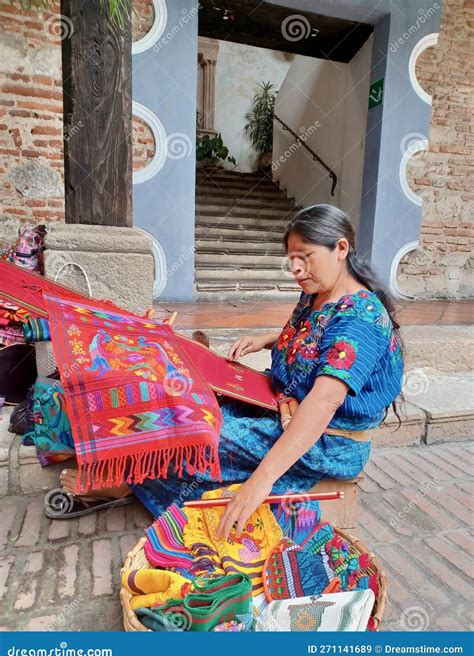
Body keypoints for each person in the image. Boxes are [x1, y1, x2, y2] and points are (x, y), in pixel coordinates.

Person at [59, 204, 403, 539]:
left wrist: (261, 481)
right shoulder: (318, 293)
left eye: (306, 256)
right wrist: (265, 339)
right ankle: (127, 463)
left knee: (202, 435)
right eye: (292, 260)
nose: (297, 269)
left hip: (330, 442)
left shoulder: (359, 319)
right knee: (184, 403)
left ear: (340, 248)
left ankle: (130, 480)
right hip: (282, 405)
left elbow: (325, 401)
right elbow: (313, 341)